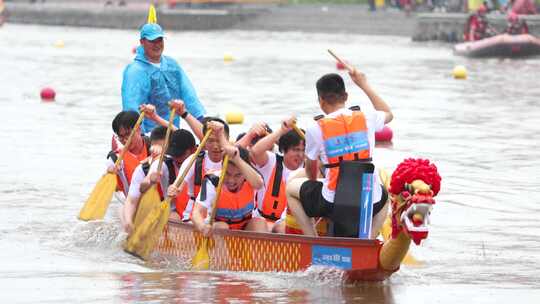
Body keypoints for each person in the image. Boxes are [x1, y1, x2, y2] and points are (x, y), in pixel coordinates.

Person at [285, 68, 393, 238]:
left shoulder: (315, 128)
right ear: (346, 97)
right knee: (384, 196)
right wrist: (363, 84)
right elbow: (389, 114)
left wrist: (315, 183)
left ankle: (312, 239)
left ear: (321, 101)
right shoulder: (366, 116)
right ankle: (368, 241)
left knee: (291, 189)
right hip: (368, 200)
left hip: (332, 201)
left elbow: (311, 171)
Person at [121, 23, 206, 134]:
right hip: (149, 134)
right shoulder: (135, 70)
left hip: (173, 131)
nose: (157, 45)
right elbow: (131, 106)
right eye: (152, 41)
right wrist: (139, 137)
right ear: (142, 42)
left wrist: (201, 121)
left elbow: (189, 95)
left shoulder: (172, 64)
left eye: (159, 40)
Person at [188, 122, 264, 235]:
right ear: (222, 167)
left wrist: (237, 159)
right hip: (220, 229)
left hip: (244, 227)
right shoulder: (212, 181)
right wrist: (202, 227)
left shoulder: (250, 177)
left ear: (244, 172)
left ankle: (255, 253)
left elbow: (259, 184)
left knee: (259, 223)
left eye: (237, 175)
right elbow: (196, 213)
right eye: (227, 173)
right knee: (223, 227)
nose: (231, 180)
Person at [249, 117, 305, 233]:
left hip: (287, 224)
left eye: (303, 150)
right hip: (262, 220)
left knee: (282, 228)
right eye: (295, 150)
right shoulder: (271, 161)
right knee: (262, 226)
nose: (300, 155)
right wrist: (281, 130)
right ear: (284, 149)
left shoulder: (308, 168)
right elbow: (255, 151)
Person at [174, 117, 230, 221]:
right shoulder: (194, 160)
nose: (216, 146)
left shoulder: (235, 161)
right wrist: (173, 189)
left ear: (227, 140)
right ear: (203, 141)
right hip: (196, 214)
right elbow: (178, 186)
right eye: (211, 141)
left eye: (219, 140)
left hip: (226, 215)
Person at [119, 125, 168, 233]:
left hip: (180, 212)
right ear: (153, 148)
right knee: (124, 211)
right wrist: (128, 221)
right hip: (151, 208)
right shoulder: (142, 168)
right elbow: (131, 201)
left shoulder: (186, 160)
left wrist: (155, 117)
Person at [107, 111, 150, 196]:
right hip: (133, 203)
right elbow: (114, 189)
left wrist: (155, 117)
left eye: (128, 134)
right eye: (121, 136)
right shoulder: (115, 158)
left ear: (138, 129)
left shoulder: (154, 142)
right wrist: (110, 176)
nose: (125, 140)